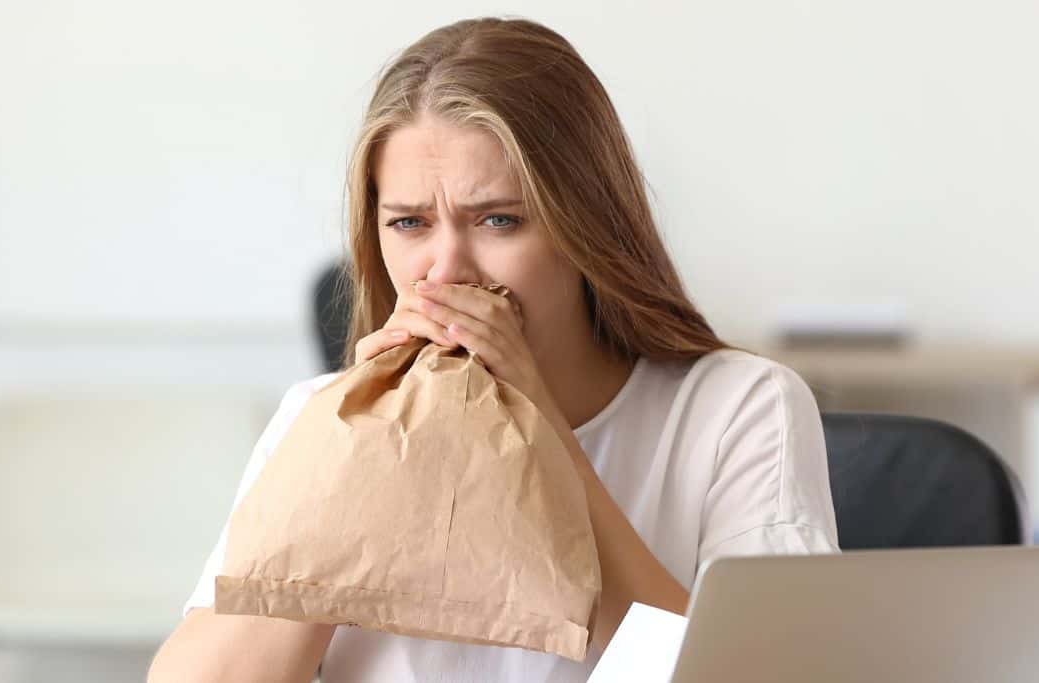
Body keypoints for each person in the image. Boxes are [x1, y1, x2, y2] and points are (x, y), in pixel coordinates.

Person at [149, 17, 839, 683]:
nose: (445, 270)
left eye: (498, 220)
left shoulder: (740, 409)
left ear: (586, 227)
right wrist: (347, 468)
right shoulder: (316, 419)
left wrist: (545, 441)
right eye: (410, 223)